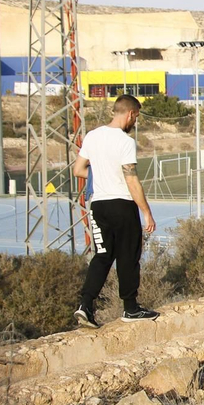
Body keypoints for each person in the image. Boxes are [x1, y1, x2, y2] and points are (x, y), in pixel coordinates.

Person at [73, 94, 158, 327]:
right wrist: (146, 211)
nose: (135, 122)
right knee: (128, 256)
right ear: (130, 114)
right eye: (136, 117)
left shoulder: (92, 136)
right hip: (122, 204)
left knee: (101, 256)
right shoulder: (124, 141)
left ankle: (85, 306)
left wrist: (100, 174)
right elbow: (131, 180)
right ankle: (130, 308)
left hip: (98, 206)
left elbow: (78, 170)